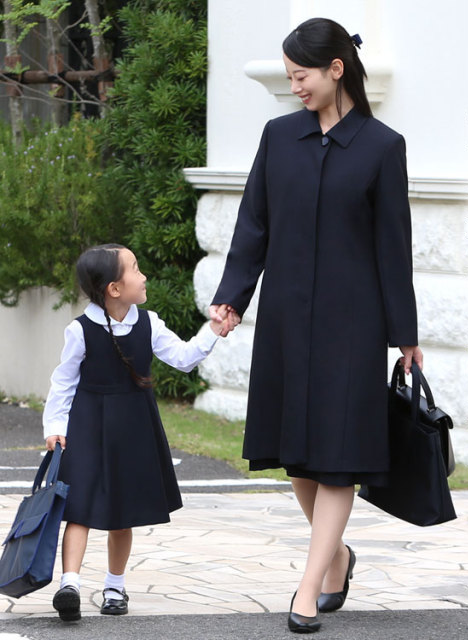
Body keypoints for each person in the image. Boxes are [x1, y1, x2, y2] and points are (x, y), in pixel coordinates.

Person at [210, 17, 422, 634]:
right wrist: (232, 298)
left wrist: (405, 335)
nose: (294, 86)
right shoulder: (279, 137)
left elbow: (394, 248)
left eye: (301, 75)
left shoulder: (383, 146)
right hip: (285, 317)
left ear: (336, 68)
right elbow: (254, 223)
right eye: (289, 76)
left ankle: (308, 588)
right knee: (298, 456)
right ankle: (338, 557)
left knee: (336, 458)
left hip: (352, 325)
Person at [43, 243, 236, 622]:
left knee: (123, 510)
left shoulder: (149, 323)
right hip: (86, 426)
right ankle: (70, 585)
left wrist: (213, 330)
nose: (144, 275)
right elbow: (63, 382)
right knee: (79, 508)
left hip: (133, 427)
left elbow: (183, 357)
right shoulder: (80, 330)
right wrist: (54, 427)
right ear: (114, 288)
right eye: (135, 268)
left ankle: (114, 587)